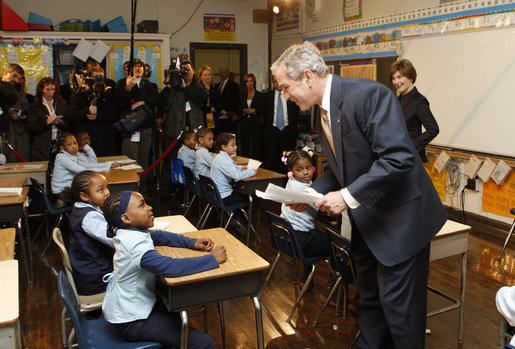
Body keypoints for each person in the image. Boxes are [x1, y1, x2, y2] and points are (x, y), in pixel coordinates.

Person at [271, 42, 447, 349]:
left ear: (308, 77)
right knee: (368, 304)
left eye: (286, 88)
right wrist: (313, 192)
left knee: (400, 313)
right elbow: (342, 167)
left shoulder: (367, 95)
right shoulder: (322, 110)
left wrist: (347, 196)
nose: (285, 96)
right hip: (368, 221)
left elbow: (398, 159)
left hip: (401, 223)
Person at [101, 190, 226, 348]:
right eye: (142, 205)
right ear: (126, 218)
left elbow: (160, 236)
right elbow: (169, 267)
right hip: (132, 321)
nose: (149, 207)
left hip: (132, 309)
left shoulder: (130, 232)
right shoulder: (134, 246)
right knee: (204, 344)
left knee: (175, 313)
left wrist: (193, 242)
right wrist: (212, 259)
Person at [61, 170, 113, 295]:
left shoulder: (81, 207)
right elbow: (114, 240)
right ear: (84, 196)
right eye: (100, 190)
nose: (107, 192)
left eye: (107, 187)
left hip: (87, 270)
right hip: (97, 279)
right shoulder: (89, 217)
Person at [114, 58, 160, 193]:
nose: (138, 69)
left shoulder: (150, 85)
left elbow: (157, 99)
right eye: (135, 67)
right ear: (129, 70)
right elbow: (119, 102)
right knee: (130, 161)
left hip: (145, 129)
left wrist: (142, 102)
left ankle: (143, 191)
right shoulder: (122, 84)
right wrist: (128, 89)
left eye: (141, 66)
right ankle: (131, 191)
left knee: (144, 161)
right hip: (130, 130)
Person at [159, 60, 205, 193]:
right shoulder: (173, 88)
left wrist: (186, 88)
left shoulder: (197, 87)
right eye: (182, 71)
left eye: (188, 70)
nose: (185, 73)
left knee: (193, 164)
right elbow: (164, 104)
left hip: (192, 133)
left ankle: (191, 192)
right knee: (170, 162)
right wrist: (169, 84)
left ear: (193, 72)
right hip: (174, 132)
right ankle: (165, 192)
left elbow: (202, 100)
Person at [281, 149, 328, 258]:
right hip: (300, 238)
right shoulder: (302, 188)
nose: (306, 172)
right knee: (338, 242)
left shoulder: (292, 181)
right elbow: (322, 207)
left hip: (286, 234)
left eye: (308, 168)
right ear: (291, 171)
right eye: (300, 169)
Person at [390, 59, 439, 162]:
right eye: (393, 78)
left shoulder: (419, 101)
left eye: (399, 77)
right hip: (399, 156)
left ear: (411, 77)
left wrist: (411, 146)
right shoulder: (399, 99)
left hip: (412, 159)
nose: (396, 82)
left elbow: (433, 129)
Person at [67, 62, 120, 156]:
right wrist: (87, 111)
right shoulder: (79, 94)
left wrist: (97, 115)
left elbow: (115, 115)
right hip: (85, 142)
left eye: (101, 78)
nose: (98, 81)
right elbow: (71, 116)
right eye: (96, 78)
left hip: (105, 141)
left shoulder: (109, 94)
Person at [51, 132, 118, 205]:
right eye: (69, 144)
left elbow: (89, 165)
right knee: (91, 195)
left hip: (68, 188)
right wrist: (106, 169)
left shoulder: (71, 156)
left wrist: (108, 165)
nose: (74, 146)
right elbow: (83, 170)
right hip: (61, 191)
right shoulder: (61, 158)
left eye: (75, 143)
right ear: (62, 148)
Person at [210, 132, 256, 226]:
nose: (236, 147)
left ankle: (237, 219)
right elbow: (237, 176)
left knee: (241, 192)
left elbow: (230, 169)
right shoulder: (224, 160)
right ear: (223, 147)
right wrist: (252, 172)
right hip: (224, 197)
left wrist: (241, 167)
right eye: (232, 145)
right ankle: (244, 224)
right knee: (253, 198)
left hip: (217, 195)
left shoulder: (220, 157)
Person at [263, 74, 300, 173]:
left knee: (287, 161)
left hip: (287, 132)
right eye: (275, 82)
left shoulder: (291, 96)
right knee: (270, 161)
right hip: (272, 132)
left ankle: (286, 183)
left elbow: (295, 115)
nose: (277, 84)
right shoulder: (267, 97)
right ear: (272, 82)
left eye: (279, 81)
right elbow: (265, 115)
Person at [26, 77, 68, 161]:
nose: (51, 92)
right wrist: (46, 122)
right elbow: (31, 127)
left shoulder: (61, 104)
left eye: (53, 89)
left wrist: (61, 122)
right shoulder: (35, 106)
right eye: (48, 89)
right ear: (41, 90)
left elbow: (68, 123)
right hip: (42, 145)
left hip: (59, 143)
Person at [2, 64, 33, 162]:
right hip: (5, 131)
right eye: (14, 76)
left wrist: (20, 113)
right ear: (6, 72)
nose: (16, 80)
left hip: (20, 132)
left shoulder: (19, 88)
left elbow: (26, 106)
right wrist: (9, 112)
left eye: (18, 78)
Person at [239, 73, 265, 160]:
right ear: (245, 83)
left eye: (251, 81)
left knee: (256, 146)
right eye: (247, 81)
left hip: (256, 124)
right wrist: (243, 110)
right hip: (245, 124)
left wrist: (254, 111)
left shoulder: (260, 95)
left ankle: (257, 164)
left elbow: (263, 109)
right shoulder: (242, 95)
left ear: (254, 82)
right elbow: (238, 108)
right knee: (245, 145)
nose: (249, 83)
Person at [214, 66, 239, 135]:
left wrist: (236, 114)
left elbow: (237, 101)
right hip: (219, 116)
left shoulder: (234, 85)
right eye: (221, 73)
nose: (222, 74)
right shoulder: (217, 86)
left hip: (230, 115)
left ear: (228, 73)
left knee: (230, 135)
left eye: (224, 73)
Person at [197, 65, 216, 130]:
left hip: (215, 121)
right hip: (202, 120)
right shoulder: (198, 89)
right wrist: (209, 109)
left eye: (209, 75)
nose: (207, 77)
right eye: (205, 75)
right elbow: (199, 105)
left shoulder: (215, 88)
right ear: (201, 77)